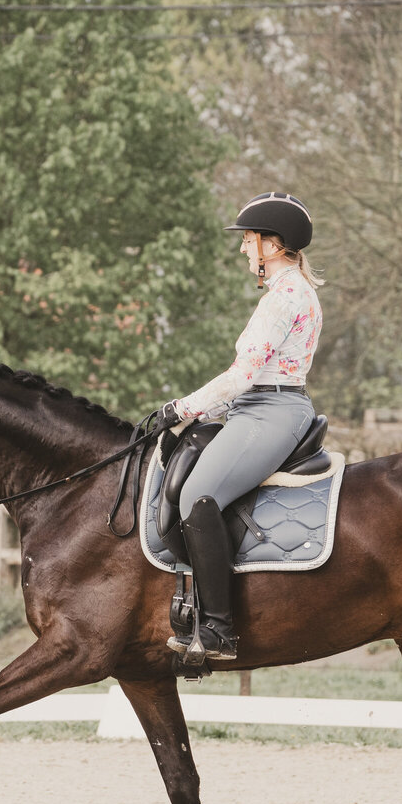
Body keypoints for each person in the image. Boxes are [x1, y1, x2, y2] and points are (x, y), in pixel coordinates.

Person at [156, 192, 324, 662]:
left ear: (272, 245)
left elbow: (242, 375)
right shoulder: (287, 293)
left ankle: (218, 631)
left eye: (248, 240)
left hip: (270, 410)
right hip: (257, 407)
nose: (243, 249)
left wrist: (181, 407)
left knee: (197, 496)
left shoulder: (284, 298)